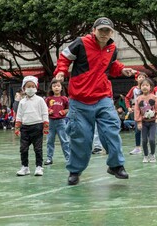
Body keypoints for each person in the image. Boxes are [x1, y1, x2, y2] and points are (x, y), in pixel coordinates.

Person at [54, 16, 136, 185]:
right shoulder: (80, 43)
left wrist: (122, 70)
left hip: (102, 97)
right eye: (101, 30)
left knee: (112, 129)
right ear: (94, 30)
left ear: (111, 32)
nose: (104, 34)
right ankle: (75, 171)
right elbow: (64, 57)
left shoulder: (112, 48)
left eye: (107, 31)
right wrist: (61, 71)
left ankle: (116, 165)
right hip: (79, 99)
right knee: (81, 137)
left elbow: (110, 66)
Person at [15, 76, 49, 177]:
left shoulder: (40, 100)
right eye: (28, 86)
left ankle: (39, 167)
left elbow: (44, 113)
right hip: (25, 128)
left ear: (36, 88)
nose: (30, 88)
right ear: (24, 89)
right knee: (23, 149)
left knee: (38, 149)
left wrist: (46, 125)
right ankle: (25, 167)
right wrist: (17, 127)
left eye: (32, 86)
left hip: (37, 127)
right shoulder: (22, 102)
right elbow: (19, 115)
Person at [134, 78, 157, 163]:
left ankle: (152, 154)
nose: (145, 87)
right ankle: (146, 155)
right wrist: (139, 122)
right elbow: (137, 110)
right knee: (144, 140)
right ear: (140, 87)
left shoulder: (154, 97)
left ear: (150, 87)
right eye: (143, 85)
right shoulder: (138, 99)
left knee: (151, 139)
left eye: (147, 85)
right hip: (144, 122)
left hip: (153, 122)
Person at [44, 78, 70, 165]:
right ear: (51, 88)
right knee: (49, 141)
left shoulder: (64, 99)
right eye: (54, 86)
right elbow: (44, 108)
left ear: (61, 88)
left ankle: (68, 158)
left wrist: (64, 112)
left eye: (58, 86)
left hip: (61, 122)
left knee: (65, 140)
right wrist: (48, 110)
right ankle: (49, 158)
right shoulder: (48, 99)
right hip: (50, 122)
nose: (56, 88)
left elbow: (68, 108)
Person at [125, 71, 147, 154]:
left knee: (147, 130)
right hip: (137, 111)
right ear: (136, 79)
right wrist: (128, 107)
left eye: (143, 77)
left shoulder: (148, 88)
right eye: (139, 77)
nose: (141, 78)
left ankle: (147, 146)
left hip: (147, 112)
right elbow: (127, 98)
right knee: (138, 130)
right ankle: (138, 147)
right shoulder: (134, 89)